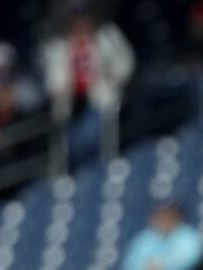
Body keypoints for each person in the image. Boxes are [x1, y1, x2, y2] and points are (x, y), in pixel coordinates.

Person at [38, 4, 134, 162]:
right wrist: (60, 89)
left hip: (100, 98)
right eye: (75, 19)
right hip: (72, 105)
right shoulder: (58, 47)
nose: (79, 23)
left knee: (94, 139)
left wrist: (113, 75)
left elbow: (126, 60)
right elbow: (52, 83)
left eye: (82, 18)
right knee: (72, 147)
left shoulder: (106, 36)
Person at [121, 202, 203, 270]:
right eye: (159, 216)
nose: (162, 220)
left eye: (167, 216)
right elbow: (130, 268)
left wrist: (162, 269)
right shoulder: (145, 238)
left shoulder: (188, 236)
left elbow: (191, 258)